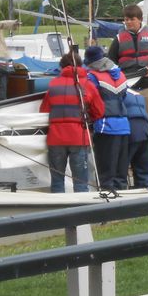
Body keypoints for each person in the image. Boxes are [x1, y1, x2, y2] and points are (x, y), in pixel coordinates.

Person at [40, 51, 105, 193]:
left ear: (61, 66)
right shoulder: (87, 84)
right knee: (81, 182)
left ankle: (58, 206)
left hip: (55, 138)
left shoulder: (53, 85)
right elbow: (99, 111)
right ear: (80, 65)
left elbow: (43, 111)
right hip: (79, 137)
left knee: (57, 182)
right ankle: (81, 207)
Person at [84, 45, 131, 192]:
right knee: (121, 170)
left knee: (106, 170)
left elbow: (88, 100)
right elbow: (124, 96)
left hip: (106, 125)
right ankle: (122, 195)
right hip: (124, 125)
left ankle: (107, 197)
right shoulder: (121, 75)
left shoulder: (93, 77)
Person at [122, 89, 148, 188]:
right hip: (146, 132)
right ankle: (145, 190)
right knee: (144, 172)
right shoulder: (137, 94)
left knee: (120, 170)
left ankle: (120, 191)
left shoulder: (117, 92)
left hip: (130, 130)